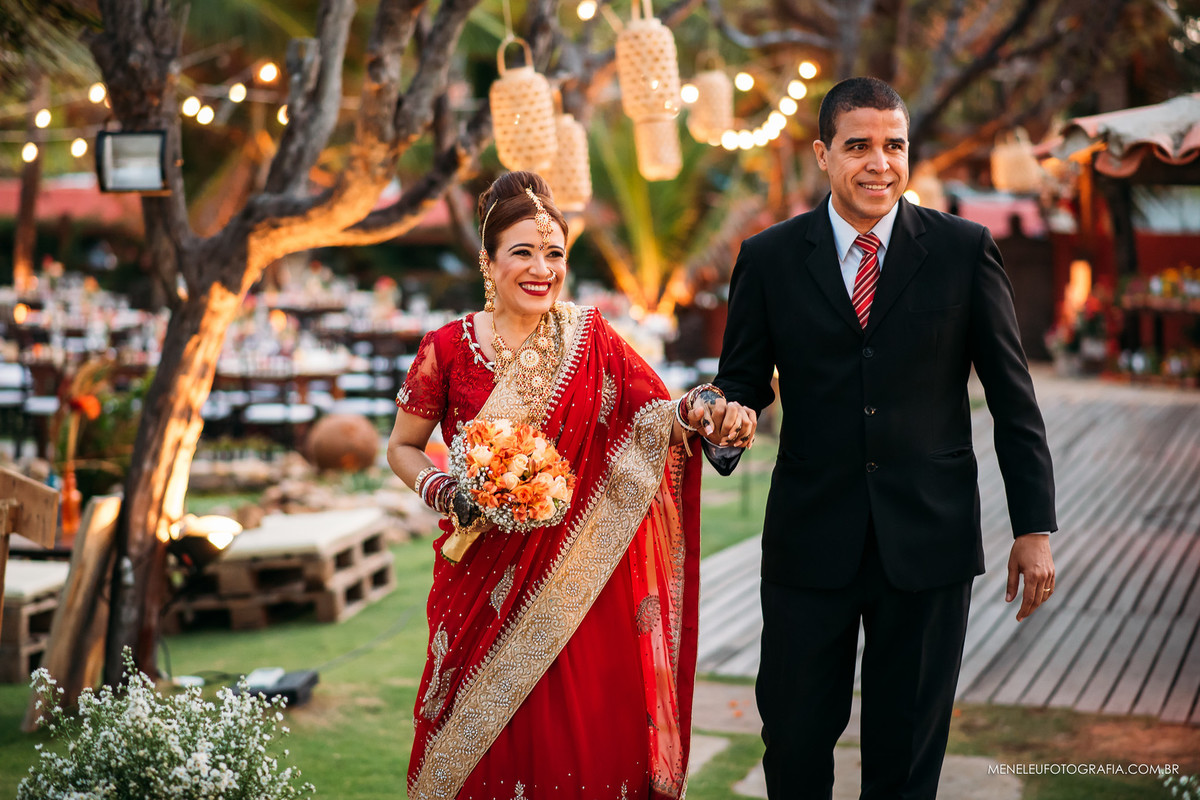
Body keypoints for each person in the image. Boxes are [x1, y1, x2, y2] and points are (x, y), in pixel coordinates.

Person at [712, 77, 1057, 799]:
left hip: (929, 540)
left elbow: (1012, 397)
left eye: (894, 145)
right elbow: (739, 385)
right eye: (859, 146)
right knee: (794, 741)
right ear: (823, 155)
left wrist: (1034, 528)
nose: (879, 163)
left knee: (905, 760)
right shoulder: (769, 258)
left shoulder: (964, 250)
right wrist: (727, 425)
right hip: (810, 538)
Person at [387, 171, 756, 800]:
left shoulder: (592, 338)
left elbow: (652, 421)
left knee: (580, 742)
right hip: (478, 581)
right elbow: (401, 446)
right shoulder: (445, 349)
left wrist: (699, 410)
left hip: (581, 589)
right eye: (523, 252)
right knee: (476, 750)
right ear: (488, 262)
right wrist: (445, 491)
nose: (542, 269)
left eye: (554, 254)